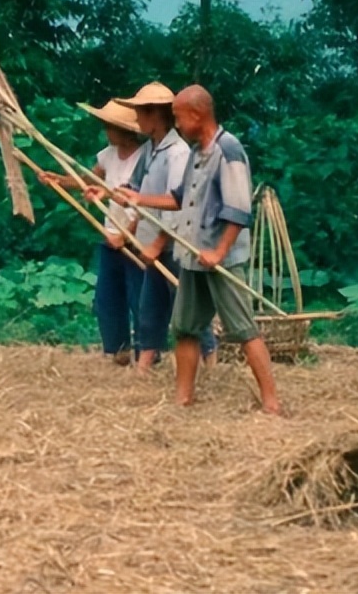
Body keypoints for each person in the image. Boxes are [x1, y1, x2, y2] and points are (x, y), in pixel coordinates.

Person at [113, 85, 280, 414]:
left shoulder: (228, 151)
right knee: (185, 328)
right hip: (191, 256)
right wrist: (137, 198)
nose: (176, 124)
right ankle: (183, 398)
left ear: (197, 115)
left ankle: (272, 402)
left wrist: (219, 251)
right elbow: (177, 198)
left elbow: (238, 210)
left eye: (178, 117)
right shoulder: (196, 154)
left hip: (220, 260)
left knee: (244, 329)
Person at [114, 82, 217, 374]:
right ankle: (143, 368)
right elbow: (135, 189)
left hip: (175, 244)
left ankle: (211, 362)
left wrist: (158, 243)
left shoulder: (177, 154)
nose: (136, 119)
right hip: (153, 244)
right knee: (151, 308)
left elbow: (178, 202)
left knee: (185, 306)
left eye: (140, 113)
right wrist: (106, 193)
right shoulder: (150, 150)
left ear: (154, 115)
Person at [38, 99, 144, 366]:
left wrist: (127, 234)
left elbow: (148, 204)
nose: (105, 130)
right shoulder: (107, 155)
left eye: (109, 126)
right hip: (110, 235)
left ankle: (146, 354)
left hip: (136, 237)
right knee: (108, 298)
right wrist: (60, 181)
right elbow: (90, 179)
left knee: (138, 298)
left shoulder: (145, 157)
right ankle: (118, 350)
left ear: (124, 129)